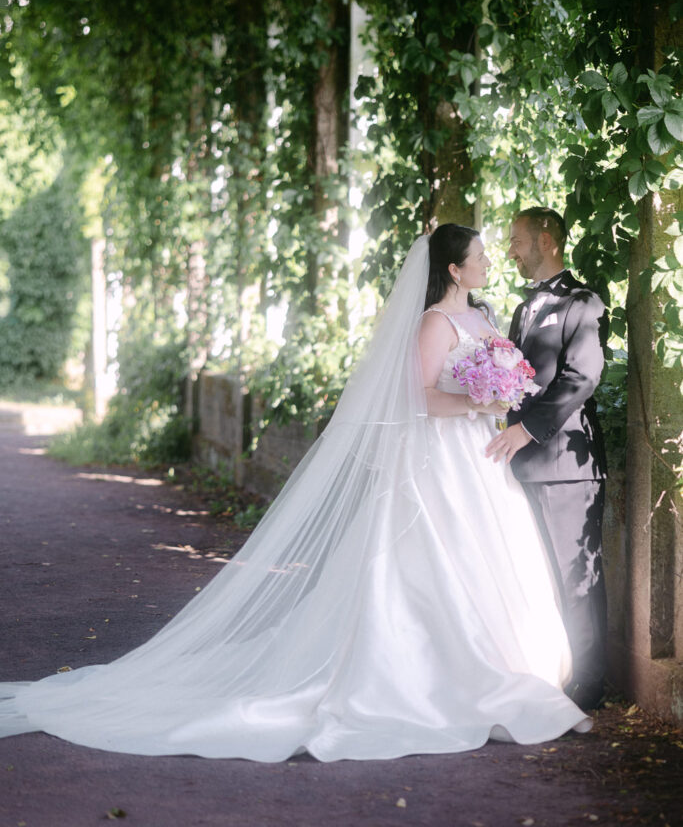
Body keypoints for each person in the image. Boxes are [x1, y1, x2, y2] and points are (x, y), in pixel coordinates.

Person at [0, 225, 590, 761]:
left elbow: (510, 377)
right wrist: (476, 403)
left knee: (487, 561)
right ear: (455, 270)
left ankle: (502, 672)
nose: (489, 261)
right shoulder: (435, 322)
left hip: (480, 460)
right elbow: (414, 398)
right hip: (442, 462)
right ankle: (429, 679)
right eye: (480, 256)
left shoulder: (486, 314)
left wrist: (503, 396)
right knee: (425, 565)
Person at [485, 207, 608, 711]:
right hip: (525, 467)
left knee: (574, 575)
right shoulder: (522, 308)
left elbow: (582, 376)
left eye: (516, 240)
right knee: (536, 576)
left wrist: (527, 429)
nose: (510, 250)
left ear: (547, 239)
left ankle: (591, 684)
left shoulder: (584, 302)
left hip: (566, 468)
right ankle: (551, 672)